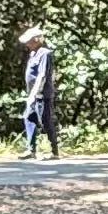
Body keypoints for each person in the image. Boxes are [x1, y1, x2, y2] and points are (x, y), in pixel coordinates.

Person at [15, 24, 64, 159]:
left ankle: (54, 152)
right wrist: (31, 95)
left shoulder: (45, 54)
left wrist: (34, 94)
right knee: (29, 118)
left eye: (29, 41)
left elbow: (42, 76)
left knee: (45, 122)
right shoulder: (33, 54)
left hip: (42, 95)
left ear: (36, 40)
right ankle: (31, 150)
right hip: (33, 94)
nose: (27, 44)